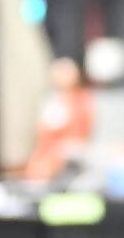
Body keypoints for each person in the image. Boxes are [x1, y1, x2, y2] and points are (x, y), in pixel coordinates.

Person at [19, 55, 94, 183]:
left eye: (65, 73)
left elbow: (83, 135)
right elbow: (43, 136)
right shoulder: (49, 100)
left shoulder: (83, 100)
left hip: (69, 158)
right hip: (45, 159)